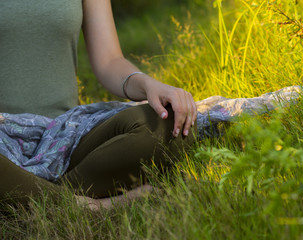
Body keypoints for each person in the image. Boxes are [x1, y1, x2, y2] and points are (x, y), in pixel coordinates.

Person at [0, 0, 197, 208]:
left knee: (169, 123)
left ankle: (25, 194)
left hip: (63, 139)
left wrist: (149, 85)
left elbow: (109, 60)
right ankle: (87, 207)